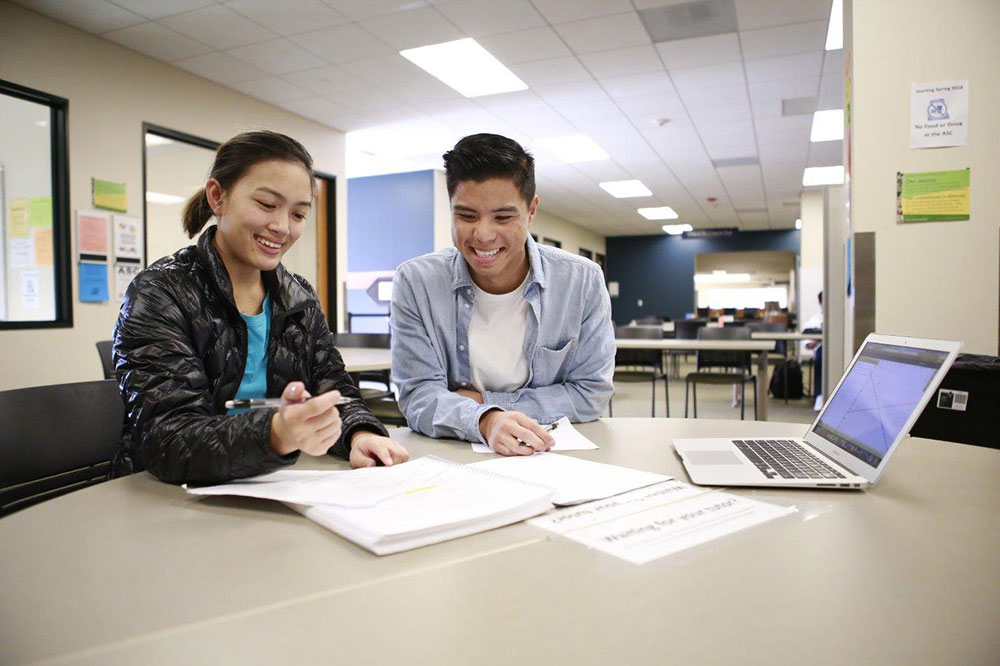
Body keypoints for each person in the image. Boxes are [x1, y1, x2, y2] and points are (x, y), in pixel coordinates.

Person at [112, 130, 408, 484]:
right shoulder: (161, 293)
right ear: (217, 197)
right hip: (172, 498)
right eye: (267, 205)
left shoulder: (298, 296)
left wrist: (360, 433)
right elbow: (170, 437)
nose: (282, 227)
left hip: (271, 488)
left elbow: (333, 386)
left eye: (298, 214)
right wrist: (276, 433)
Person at [390, 133, 615, 456]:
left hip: (556, 453)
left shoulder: (581, 281)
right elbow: (418, 395)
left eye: (503, 217)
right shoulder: (416, 282)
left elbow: (591, 393)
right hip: (453, 454)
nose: (483, 235)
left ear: (532, 210)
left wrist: (487, 405)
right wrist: (485, 422)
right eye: (466, 216)